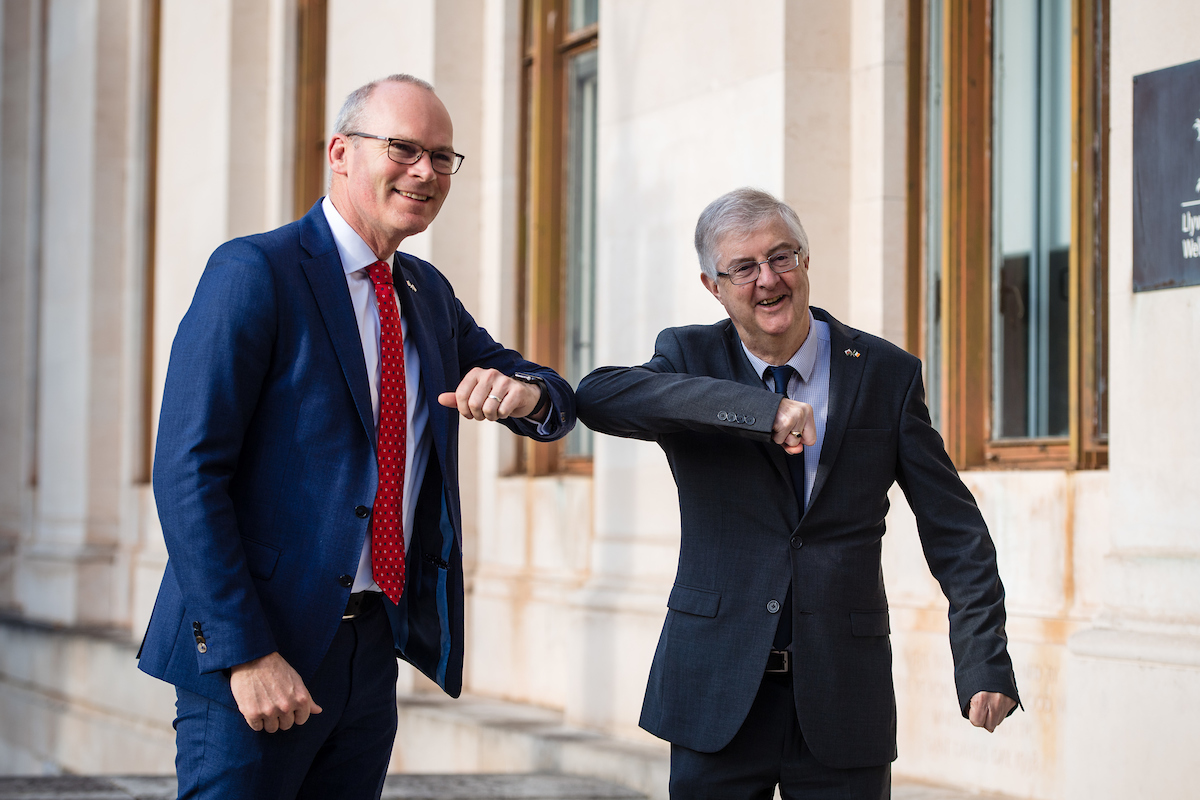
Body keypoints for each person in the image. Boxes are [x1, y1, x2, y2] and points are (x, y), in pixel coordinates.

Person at [137, 74, 575, 799]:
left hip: (369, 649)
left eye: (442, 156)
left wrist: (525, 394)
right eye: (403, 148)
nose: (426, 171)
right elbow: (186, 473)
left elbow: (547, 394)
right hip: (260, 649)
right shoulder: (256, 272)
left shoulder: (424, 292)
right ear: (340, 152)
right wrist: (247, 655)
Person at [576, 188, 1018, 799]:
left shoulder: (885, 372)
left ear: (806, 261)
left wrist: (983, 657)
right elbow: (597, 396)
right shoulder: (688, 356)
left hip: (843, 694)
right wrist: (759, 410)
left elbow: (955, 528)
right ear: (713, 285)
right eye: (744, 268)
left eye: (781, 257)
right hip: (717, 692)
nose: (768, 280)